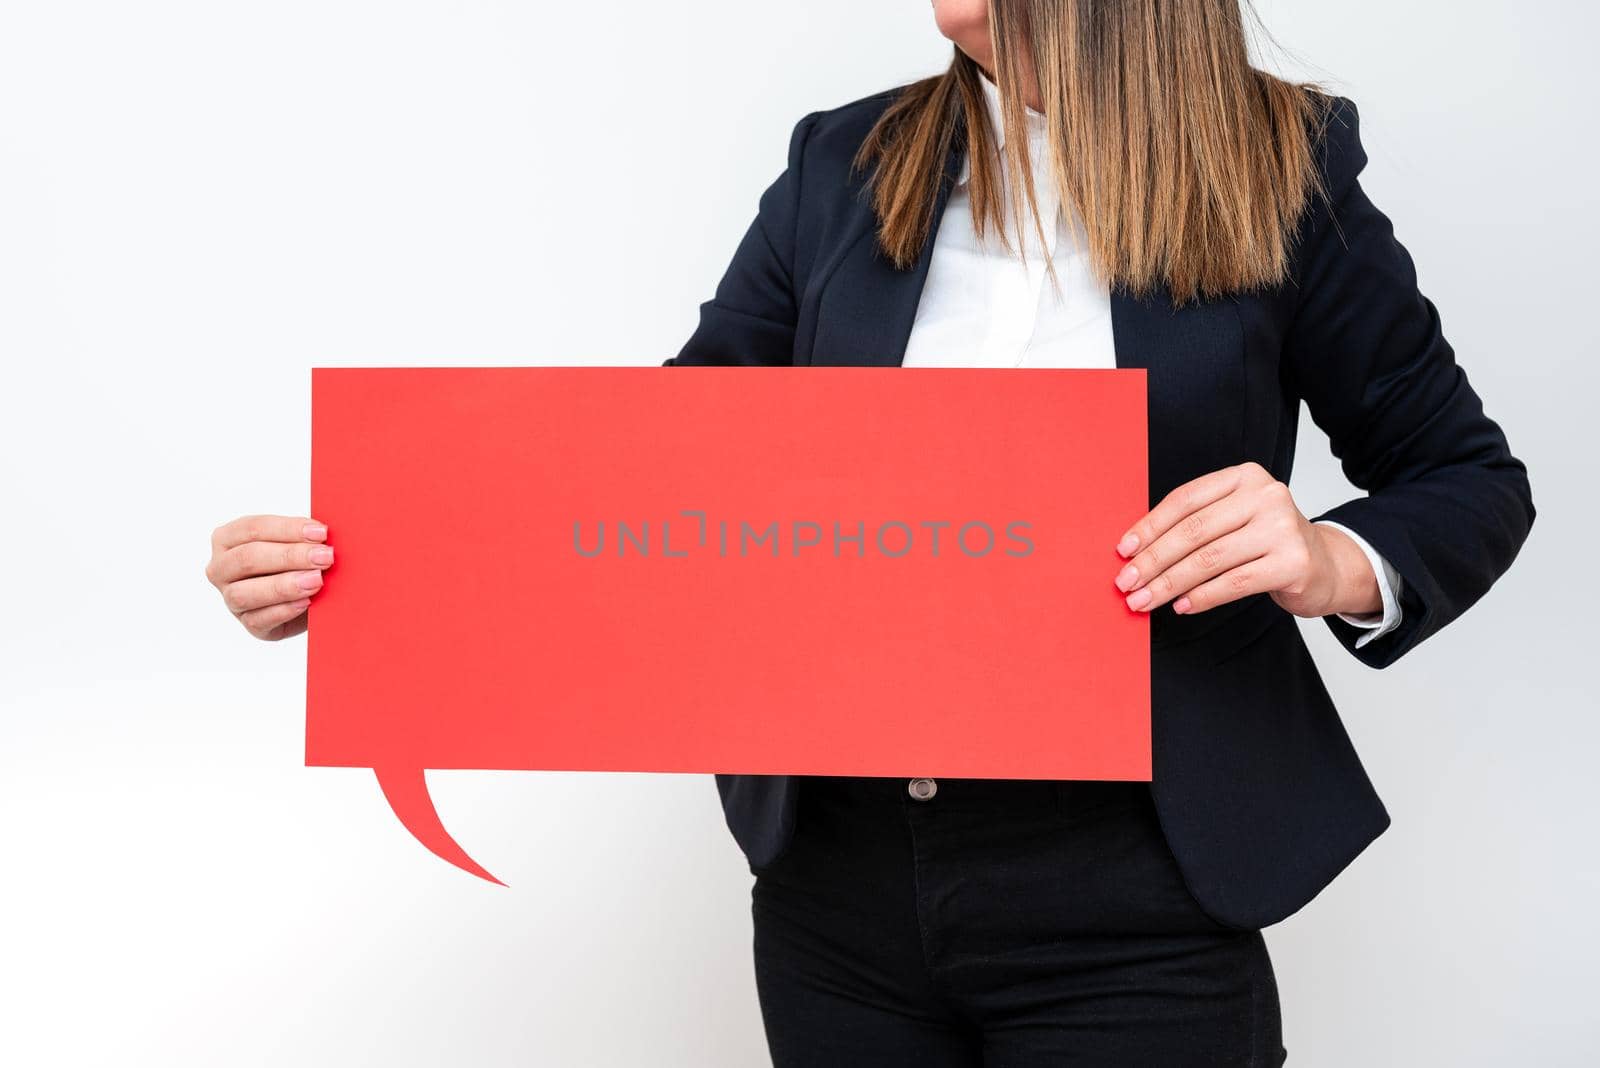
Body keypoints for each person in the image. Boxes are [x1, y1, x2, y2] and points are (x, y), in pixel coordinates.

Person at [205, 0, 1535, 1062]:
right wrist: (367, 571)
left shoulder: (1279, 166)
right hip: (836, 892)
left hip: (1135, 894)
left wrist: (1324, 556)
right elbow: (651, 486)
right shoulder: (841, 168)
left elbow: (1465, 478)